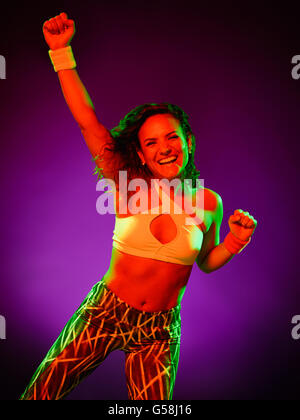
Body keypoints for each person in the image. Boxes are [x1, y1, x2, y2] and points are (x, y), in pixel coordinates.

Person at [20, 12, 257, 400]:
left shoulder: (208, 201)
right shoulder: (126, 184)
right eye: (151, 143)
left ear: (189, 141)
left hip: (159, 332)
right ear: (142, 156)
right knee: (40, 395)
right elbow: (87, 121)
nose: (164, 147)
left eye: (172, 137)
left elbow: (205, 262)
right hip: (105, 313)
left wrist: (234, 242)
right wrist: (61, 53)